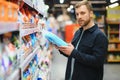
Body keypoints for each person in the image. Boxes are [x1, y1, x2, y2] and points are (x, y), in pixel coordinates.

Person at [55, 0, 108, 80]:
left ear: (91, 14)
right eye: (77, 14)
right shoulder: (78, 32)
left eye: (82, 13)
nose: (79, 16)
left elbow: (97, 62)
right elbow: (73, 54)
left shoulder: (100, 36)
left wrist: (74, 52)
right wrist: (62, 48)